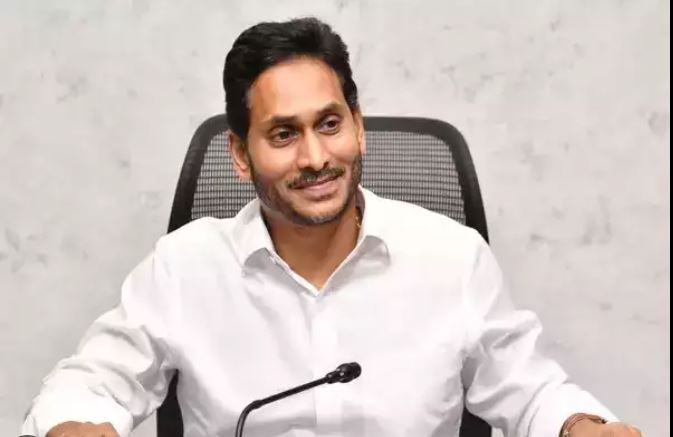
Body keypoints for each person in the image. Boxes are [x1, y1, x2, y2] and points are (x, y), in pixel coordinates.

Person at [22, 17, 643, 437]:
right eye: (283, 134)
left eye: (329, 123)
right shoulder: (185, 268)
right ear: (241, 155)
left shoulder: (452, 258)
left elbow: (530, 390)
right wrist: (74, 424)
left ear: (358, 126)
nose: (315, 157)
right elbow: (92, 380)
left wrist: (578, 426)